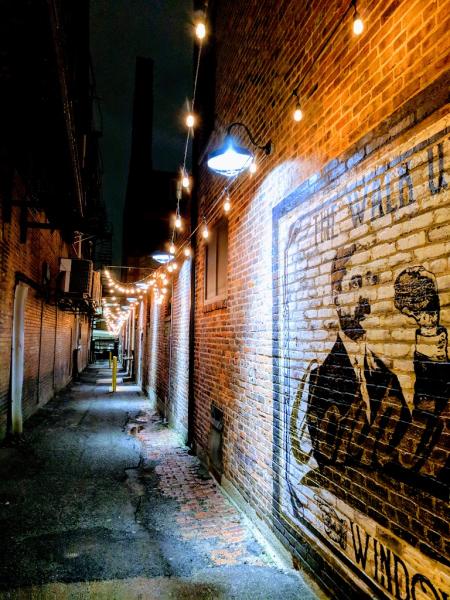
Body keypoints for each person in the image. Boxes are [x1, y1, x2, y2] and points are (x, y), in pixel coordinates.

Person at [304, 245, 449, 490]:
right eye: (356, 284)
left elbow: (414, 448)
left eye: (371, 282)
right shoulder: (321, 379)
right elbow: (329, 462)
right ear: (336, 296)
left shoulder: (387, 377)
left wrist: (429, 330)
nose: (366, 298)